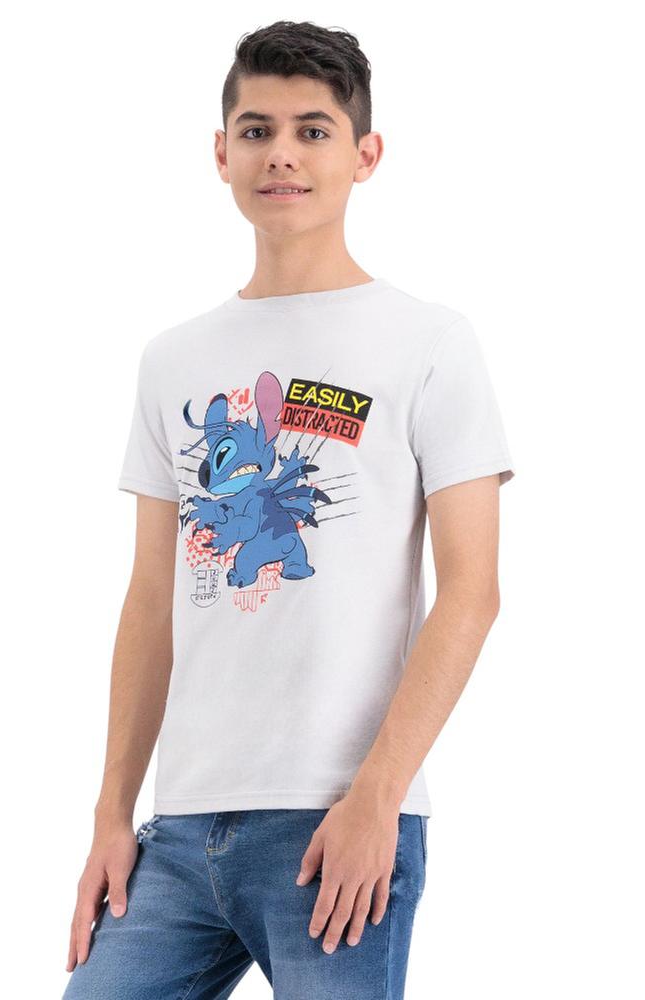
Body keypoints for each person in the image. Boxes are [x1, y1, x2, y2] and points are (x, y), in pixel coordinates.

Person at [63, 19, 514, 1000]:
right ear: (220, 152)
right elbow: (150, 600)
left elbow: (471, 593)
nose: (282, 154)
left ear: (365, 154)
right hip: (179, 830)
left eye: (313, 130)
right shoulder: (172, 359)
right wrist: (110, 814)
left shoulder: (428, 342)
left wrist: (377, 798)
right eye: (257, 129)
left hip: (336, 818)